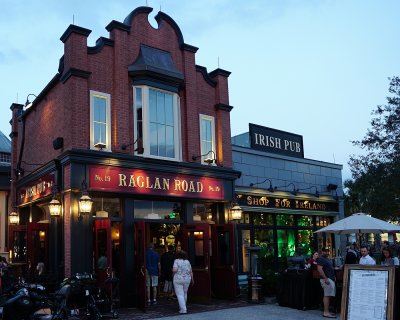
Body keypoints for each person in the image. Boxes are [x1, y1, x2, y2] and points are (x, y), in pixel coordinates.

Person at [316, 248, 336, 318]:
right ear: (322, 252)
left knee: (328, 295)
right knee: (327, 296)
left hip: (330, 279)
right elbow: (319, 269)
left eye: (327, 251)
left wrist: (333, 277)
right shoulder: (321, 259)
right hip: (326, 280)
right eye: (325, 251)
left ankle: (327, 311)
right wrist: (325, 278)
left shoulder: (327, 259)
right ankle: (326, 312)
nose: (326, 252)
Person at [172, 250, 193, 314]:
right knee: (185, 293)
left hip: (178, 279)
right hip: (187, 279)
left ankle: (183, 309)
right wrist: (192, 279)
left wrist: (172, 270)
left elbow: (175, 270)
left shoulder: (176, 261)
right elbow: (191, 271)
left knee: (180, 294)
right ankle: (182, 307)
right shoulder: (187, 261)